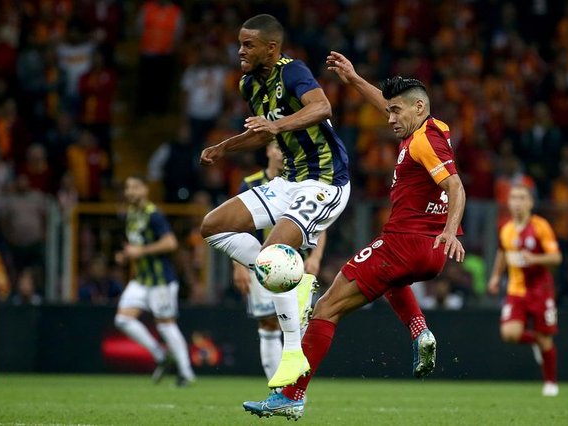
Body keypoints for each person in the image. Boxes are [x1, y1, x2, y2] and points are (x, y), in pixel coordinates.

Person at [242, 52, 466, 419]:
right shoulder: (433, 128)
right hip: (430, 253)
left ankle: (292, 395)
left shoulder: (423, 142)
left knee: (326, 308)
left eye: (396, 112)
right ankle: (419, 330)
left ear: (419, 107)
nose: (389, 118)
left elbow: (456, 186)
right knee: (392, 281)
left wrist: (451, 230)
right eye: (390, 111)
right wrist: (355, 78)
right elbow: (390, 106)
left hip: (405, 243)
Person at [199, 14, 352, 389]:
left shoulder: (293, 70)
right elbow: (262, 132)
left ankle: (293, 351)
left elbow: (322, 108)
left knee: (273, 252)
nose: (240, 51)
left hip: (326, 180)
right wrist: (225, 147)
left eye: (248, 45)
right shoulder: (249, 84)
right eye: (239, 44)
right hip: (289, 182)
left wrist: (277, 126)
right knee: (212, 227)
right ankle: (291, 279)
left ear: (271, 48)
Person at [232, 141, 326, 382]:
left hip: (297, 264)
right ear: (267, 151)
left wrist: (315, 257)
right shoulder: (250, 184)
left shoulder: (304, 182)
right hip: (260, 264)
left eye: (286, 148)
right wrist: (238, 266)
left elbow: (320, 223)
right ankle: (277, 387)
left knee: (299, 324)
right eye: (277, 147)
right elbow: (237, 226)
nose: (282, 153)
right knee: (269, 324)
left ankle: (295, 389)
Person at [114, 175, 195, 386]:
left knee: (166, 326)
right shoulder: (132, 214)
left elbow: (170, 243)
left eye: (135, 187)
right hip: (141, 280)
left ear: (145, 190)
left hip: (161, 281)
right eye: (128, 187)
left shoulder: (154, 215)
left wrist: (140, 251)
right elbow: (136, 245)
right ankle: (160, 355)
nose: (130, 192)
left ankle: (186, 373)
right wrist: (126, 255)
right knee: (122, 319)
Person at [487, 184, 562, 397]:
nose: (517, 202)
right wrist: (495, 276)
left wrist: (535, 258)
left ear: (530, 202)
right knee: (509, 334)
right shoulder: (506, 228)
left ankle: (550, 383)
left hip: (540, 290)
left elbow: (556, 257)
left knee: (545, 338)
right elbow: (503, 252)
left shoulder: (540, 226)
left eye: (522, 198)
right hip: (516, 290)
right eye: (514, 198)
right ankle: (535, 342)